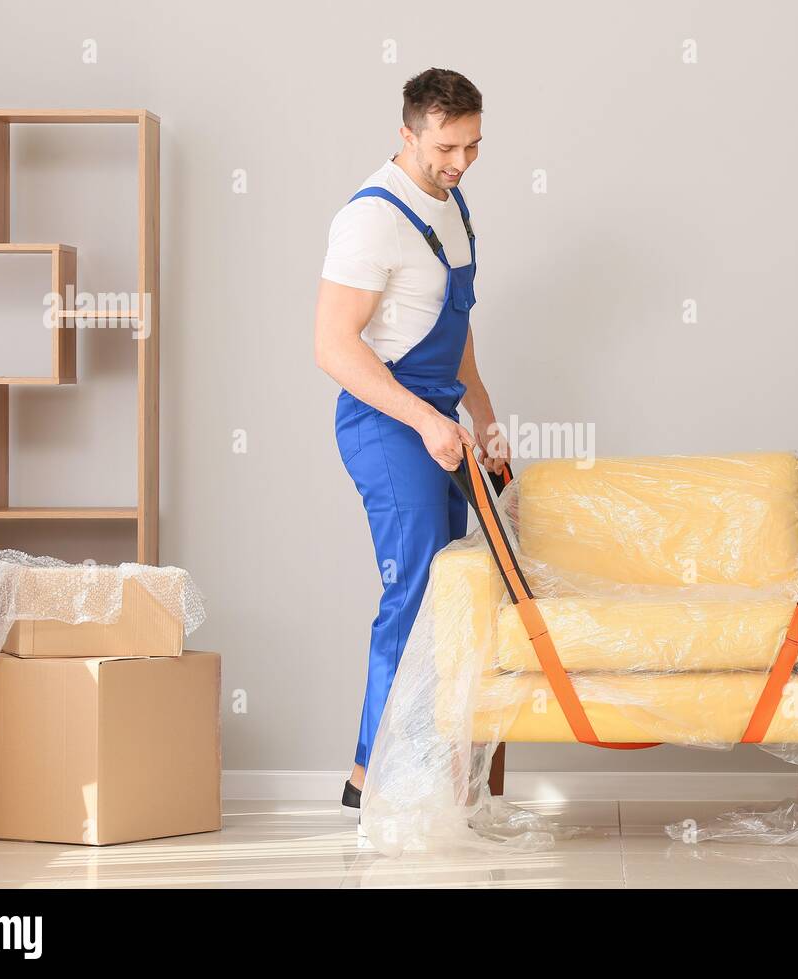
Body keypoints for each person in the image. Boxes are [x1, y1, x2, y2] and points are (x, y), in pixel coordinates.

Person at [314, 67, 508, 816]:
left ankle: (431, 769)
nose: (460, 162)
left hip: (441, 420)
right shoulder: (372, 218)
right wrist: (426, 420)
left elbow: (456, 321)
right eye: (445, 147)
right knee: (416, 589)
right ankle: (370, 775)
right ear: (407, 134)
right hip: (387, 421)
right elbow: (333, 346)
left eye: (473, 146)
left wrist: (482, 414)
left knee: (452, 594)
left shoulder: (452, 203)